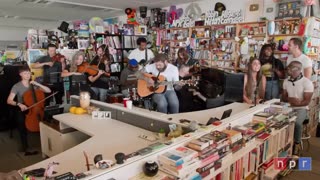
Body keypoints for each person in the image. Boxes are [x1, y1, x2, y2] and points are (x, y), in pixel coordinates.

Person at [7, 66, 51, 155]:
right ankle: (25, 146)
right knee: (20, 121)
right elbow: (9, 100)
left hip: (37, 108)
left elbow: (48, 91)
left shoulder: (34, 85)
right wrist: (19, 104)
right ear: (20, 75)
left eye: (28, 73)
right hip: (24, 108)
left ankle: (48, 143)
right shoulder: (17, 86)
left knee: (47, 119)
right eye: (25, 73)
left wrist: (38, 84)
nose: (27, 75)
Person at [282, 61, 313, 157]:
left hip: (302, 109)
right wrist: (290, 100)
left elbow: (306, 101)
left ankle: (297, 144)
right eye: (289, 68)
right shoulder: (286, 81)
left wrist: (297, 103)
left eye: (292, 69)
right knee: (278, 122)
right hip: (288, 107)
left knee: (298, 123)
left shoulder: (307, 82)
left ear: (299, 70)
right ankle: (283, 144)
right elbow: (283, 98)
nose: (289, 71)